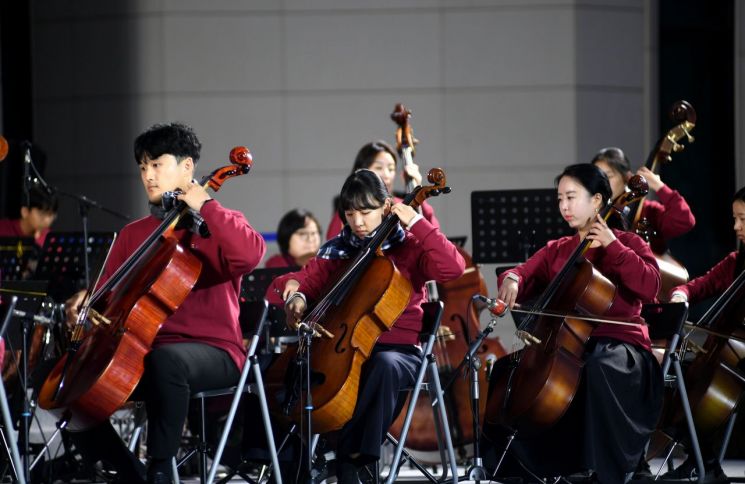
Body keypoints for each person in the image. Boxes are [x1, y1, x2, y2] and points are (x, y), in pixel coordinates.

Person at [61, 122, 265, 484]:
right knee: (67, 387)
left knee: (165, 362)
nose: (148, 176)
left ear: (187, 167)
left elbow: (249, 256)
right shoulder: (134, 234)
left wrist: (206, 205)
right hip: (141, 353)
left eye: (157, 165)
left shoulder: (219, 222)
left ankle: (160, 471)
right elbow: (108, 297)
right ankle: (131, 476)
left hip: (215, 351)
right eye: (143, 167)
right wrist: (86, 305)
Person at [267, 169, 464, 483]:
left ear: (387, 207)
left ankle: (353, 462)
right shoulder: (338, 250)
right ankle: (295, 464)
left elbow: (453, 267)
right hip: (343, 351)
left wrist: (417, 222)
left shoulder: (411, 248)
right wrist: (298, 295)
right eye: (350, 213)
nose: (357, 222)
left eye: (366, 212)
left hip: (399, 353)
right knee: (279, 372)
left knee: (382, 365)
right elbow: (297, 282)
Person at [487, 163, 662, 484]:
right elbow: (524, 272)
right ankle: (519, 469)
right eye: (559, 199)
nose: (563, 206)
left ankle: (601, 469)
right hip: (569, 347)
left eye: (571, 197)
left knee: (594, 366)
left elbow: (650, 287)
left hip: (622, 348)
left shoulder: (629, 244)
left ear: (597, 201)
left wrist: (613, 245)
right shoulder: (559, 249)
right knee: (504, 371)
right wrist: (511, 278)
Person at [656, 186, 745, 482]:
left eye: (743, 219)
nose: (736, 227)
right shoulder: (735, 262)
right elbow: (698, 285)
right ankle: (702, 462)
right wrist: (681, 293)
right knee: (674, 383)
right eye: (735, 218)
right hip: (727, 355)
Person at [325, 140, 439, 239]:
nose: (386, 175)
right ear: (361, 171)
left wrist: (418, 194)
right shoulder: (350, 209)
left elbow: (433, 237)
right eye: (379, 168)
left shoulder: (402, 205)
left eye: (391, 169)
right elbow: (333, 246)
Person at [591, 146, 695, 254]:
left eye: (609, 176)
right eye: (599, 178)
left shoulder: (648, 211)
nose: (603, 183)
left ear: (627, 177)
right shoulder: (592, 214)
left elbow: (684, 221)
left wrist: (659, 186)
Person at [0, 183, 58, 247]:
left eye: (50, 215)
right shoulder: (3, 229)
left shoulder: (50, 239)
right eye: (42, 214)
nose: (47, 220)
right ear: (25, 212)